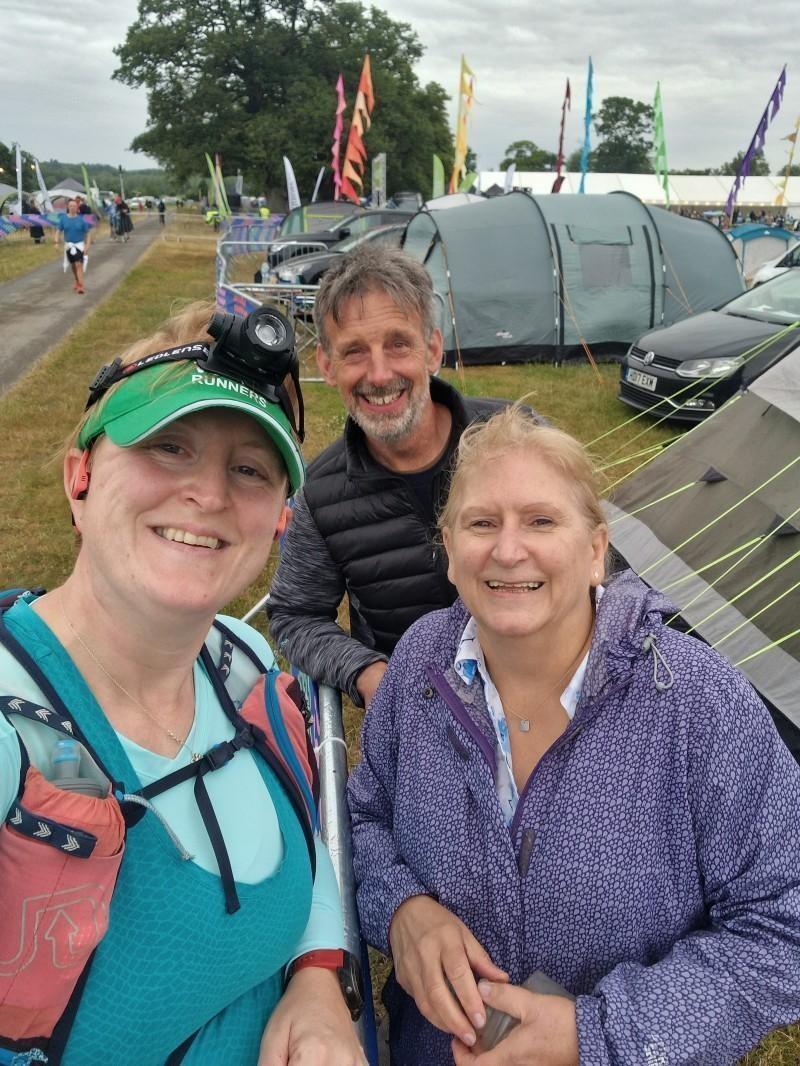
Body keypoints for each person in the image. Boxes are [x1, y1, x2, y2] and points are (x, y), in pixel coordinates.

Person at [347, 403, 800, 1066]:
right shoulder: (420, 666)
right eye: (481, 523)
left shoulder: (700, 706)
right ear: (448, 550)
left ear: (594, 550)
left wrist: (595, 1035)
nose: (507, 549)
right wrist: (402, 910)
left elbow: (783, 926)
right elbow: (363, 819)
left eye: (540, 520)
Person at [0, 302, 366, 1066]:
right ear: (80, 478)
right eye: (169, 447)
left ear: (278, 521)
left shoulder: (240, 663)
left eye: (248, 469)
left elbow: (302, 845)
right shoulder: (15, 737)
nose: (209, 493)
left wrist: (317, 977)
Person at [267, 246, 536, 708]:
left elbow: (604, 569)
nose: (379, 373)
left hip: (543, 691)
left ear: (432, 350)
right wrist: (371, 674)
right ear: (327, 367)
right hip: (425, 716)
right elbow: (295, 615)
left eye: (397, 343)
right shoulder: (321, 494)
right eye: (354, 351)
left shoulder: (522, 440)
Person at [54, 197, 92, 294]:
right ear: (68, 207)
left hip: (79, 245)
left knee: (78, 264)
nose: (72, 208)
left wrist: (87, 245)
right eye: (71, 206)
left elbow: (88, 233)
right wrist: (56, 243)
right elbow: (58, 231)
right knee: (73, 266)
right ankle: (77, 281)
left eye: (74, 206)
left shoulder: (81, 220)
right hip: (69, 246)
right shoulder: (63, 219)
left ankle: (81, 286)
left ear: (77, 207)